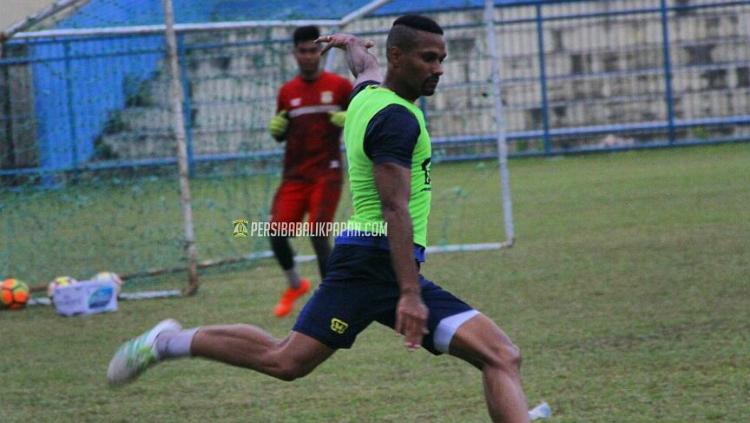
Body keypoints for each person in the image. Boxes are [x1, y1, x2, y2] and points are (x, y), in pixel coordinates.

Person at [107, 15, 531, 422]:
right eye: (428, 58)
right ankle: (165, 343)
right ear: (397, 57)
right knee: (286, 360)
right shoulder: (395, 120)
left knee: (500, 354)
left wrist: (348, 44)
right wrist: (409, 293)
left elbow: (364, 67)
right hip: (372, 260)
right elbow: (394, 209)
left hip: (388, 262)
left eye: (441, 59)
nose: (438, 69)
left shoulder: (368, 94)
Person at [266, 25, 353, 317]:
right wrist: (277, 129)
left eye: (313, 50)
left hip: (326, 173)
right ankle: (295, 284)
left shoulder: (340, 87)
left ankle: (330, 299)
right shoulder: (287, 92)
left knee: (318, 230)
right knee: (276, 232)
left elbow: (362, 118)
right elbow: (281, 132)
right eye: (302, 51)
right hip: (294, 176)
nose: (308, 56)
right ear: (295, 54)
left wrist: (349, 118)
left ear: (322, 51)